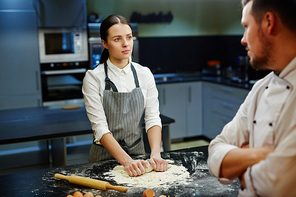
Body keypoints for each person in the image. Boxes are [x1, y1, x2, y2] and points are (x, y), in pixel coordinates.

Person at [207, 0, 296, 196]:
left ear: (269, 22)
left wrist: (241, 165)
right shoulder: (260, 87)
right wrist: (261, 154)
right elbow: (215, 150)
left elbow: (277, 184)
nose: (243, 40)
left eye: (246, 27)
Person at [82, 14, 168, 177]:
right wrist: (127, 161)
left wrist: (155, 153)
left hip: (139, 159)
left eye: (129, 37)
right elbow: (100, 128)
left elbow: (152, 118)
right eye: (117, 39)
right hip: (102, 161)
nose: (126, 43)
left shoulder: (145, 74)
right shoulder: (93, 77)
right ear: (104, 43)